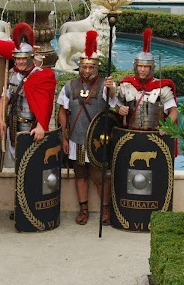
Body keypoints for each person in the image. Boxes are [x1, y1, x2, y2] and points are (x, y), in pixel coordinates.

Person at [0, 23, 57, 220]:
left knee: (32, 167)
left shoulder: (42, 76)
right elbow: (4, 98)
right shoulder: (11, 75)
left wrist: (41, 125)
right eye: (18, 58)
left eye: (24, 58)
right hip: (13, 128)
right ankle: (19, 205)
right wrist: (0, 119)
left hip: (31, 128)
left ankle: (33, 205)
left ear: (31, 58)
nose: (21, 62)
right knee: (18, 168)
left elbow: (46, 104)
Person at [56, 30, 116, 225]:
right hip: (76, 140)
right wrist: (64, 137)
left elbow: (112, 100)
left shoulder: (104, 85)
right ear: (80, 67)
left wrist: (111, 88)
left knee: (99, 177)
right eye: (84, 67)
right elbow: (62, 111)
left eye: (91, 67)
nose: (87, 71)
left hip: (97, 141)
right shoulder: (69, 86)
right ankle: (83, 209)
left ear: (96, 67)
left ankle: (105, 209)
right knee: (80, 175)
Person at [116, 28, 178, 134]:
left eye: (146, 67)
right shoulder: (126, 85)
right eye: (140, 66)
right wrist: (120, 109)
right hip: (130, 134)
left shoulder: (162, 87)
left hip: (154, 135)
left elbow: (173, 111)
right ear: (135, 67)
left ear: (151, 68)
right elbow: (116, 105)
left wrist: (166, 126)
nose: (142, 69)